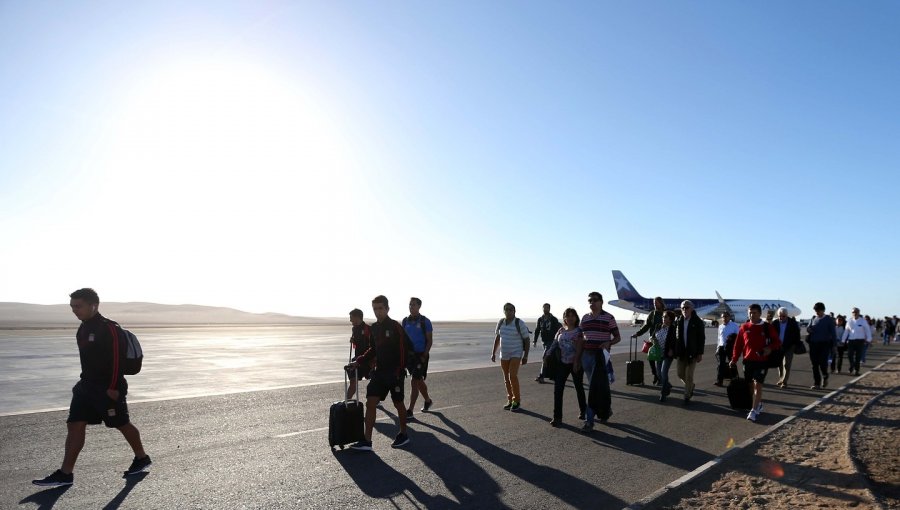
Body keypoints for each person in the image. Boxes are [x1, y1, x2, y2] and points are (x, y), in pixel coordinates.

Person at [32, 288, 151, 487]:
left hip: (107, 388)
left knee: (121, 424)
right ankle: (65, 473)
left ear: (93, 306)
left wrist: (113, 387)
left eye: (78, 306)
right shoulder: (84, 328)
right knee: (75, 424)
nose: (74, 311)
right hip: (86, 387)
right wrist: (82, 383)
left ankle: (141, 457)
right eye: (72, 307)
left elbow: (115, 361)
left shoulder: (109, 328)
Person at [349, 295, 414, 451]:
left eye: (380, 308)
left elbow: (407, 348)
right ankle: (367, 441)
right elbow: (373, 349)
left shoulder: (395, 327)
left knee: (398, 404)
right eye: (375, 308)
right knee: (370, 402)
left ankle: (403, 433)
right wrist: (359, 360)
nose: (378, 311)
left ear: (387, 309)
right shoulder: (375, 328)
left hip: (395, 372)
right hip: (380, 372)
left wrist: (401, 369)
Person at [730, 303, 781, 422]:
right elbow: (738, 345)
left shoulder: (767, 327)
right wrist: (734, 359)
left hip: (762, 361)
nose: (751, 315)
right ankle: (759, 404)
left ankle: (753, 411)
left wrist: (769, 348)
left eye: (754, 313)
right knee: (750, 386)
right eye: (750, 313)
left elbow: (777, 342)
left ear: (759, 314)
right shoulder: (744, 327)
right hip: (748, 361)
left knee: (758, 384)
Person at [577, 292, 619, 432]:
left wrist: (609, 342)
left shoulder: (608, 317)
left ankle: (589, 421)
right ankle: (606, 410)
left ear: (601, 302)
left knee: (594, 389)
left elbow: (617, 337)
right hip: (586, 356)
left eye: (595, 300)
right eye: (590, 300)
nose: (592, 302)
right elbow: (581, 335)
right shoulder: (585, 318)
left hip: (600, 357)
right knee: (595, 387)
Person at [545, 308, 586, 426]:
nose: (570, 318)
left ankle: (584, 411)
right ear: (564, 319)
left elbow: (582, 346)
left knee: (579, 387)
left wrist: (577, 361)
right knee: (558, 390)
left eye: (573, 316)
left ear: (576, 317)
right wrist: (547, 355)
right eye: (568, 316)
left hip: (576, 363)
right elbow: (554, 344)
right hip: (563, 363)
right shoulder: (561, 330)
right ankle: (557, 417)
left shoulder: (580, 331)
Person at [491, 303, 530, 411]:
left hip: (516, 353)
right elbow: (498, 338)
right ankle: (510, 399)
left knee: (513, 376)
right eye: (506, 310)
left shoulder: (519, 323)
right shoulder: (501, 323)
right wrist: (493, 352)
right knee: (506, 378)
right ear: (504, 311)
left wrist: (525, 355)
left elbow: (527, 340)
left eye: (510, 310)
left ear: (514, 311)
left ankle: (516, 400)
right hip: (504, 354)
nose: (508, 311)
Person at [402, 297, 433, 421]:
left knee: (414, 381)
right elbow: (402, 339)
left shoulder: (425, 321)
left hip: (421, 355)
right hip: (409, 356)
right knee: (418, 380)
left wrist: (424, 355)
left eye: (413, 305)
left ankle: (410, 410)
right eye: (410, 304)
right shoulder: (405, 321)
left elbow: (430, 340)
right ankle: (428, 400)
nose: (411, 307)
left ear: (419, 306)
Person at [674, 300, 705, 405]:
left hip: (693, 353)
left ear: (692, 309)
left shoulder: (697, 322)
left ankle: (687, 395)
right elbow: (675, 337)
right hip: (681, 353)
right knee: (679, 373)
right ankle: (691, 386)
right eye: (682, 308)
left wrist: (700, 353)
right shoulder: (678, 321)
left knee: (689, 375)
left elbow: (701, 338)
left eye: (686, 307)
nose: (684, 310)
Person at [631, 297, 666, 385]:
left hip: (662, 340)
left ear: (661, 303)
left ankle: (660, 378)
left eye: (657, 302)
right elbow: (646, 326)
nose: (655, 304)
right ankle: (655, 375)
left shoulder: (665, 313)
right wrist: (637, 334)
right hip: (652, 339)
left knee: (659, 360)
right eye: (654, 302)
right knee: (651, 358)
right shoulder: (652, 314)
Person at [806, 302, 837, 388]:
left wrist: (834, 345)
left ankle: (825, 376)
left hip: (824, 344)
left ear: (823, 310)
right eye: (815, 310)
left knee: (823, 364)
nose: (817, 312)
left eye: (818, 310)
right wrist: (809, 330)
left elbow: (833, 333)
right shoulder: (813, 319)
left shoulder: (828, 319)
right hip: (813, 344)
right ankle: (817, 383)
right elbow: (808, 328)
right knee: (814, 365)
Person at [346, 308, 372, 400]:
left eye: (351, 317)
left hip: (368, 359)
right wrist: (353, 341)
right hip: (357, 358)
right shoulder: (354, 329)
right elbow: (357, 343)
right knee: (353, 380)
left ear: (357, 317)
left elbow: (372, 346)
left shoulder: (368, 329)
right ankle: (347, 401)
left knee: (372, 379)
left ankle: (374, 398)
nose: (350, 320)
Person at [533, 303, 561, 384]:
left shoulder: (553, 319)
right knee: (550, 358)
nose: (545, 309)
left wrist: (558, 340)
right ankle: (554, 375)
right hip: (544, 341)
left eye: (547, 308)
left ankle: (541, 376)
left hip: (552, 341)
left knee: (545, 357)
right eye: (544, 308)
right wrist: (535, 340)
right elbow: (537, 330)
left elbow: (558, 329)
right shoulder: (540, 319)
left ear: (549, 309)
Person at [773, 307, 801, 388]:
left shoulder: (792, 323)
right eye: (780, 316)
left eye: (783, 316)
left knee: (786, 364)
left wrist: (796, 344)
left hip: (789, 346)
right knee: (779, 364)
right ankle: (781, 378)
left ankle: (785, 381)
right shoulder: (775, 323)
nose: (781, 318)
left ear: (787, 315)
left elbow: (797, 334)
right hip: (778, 346)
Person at [842, 307, 872, 377]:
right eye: (853, 312)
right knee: (850, 355)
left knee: (858, 357)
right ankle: (852, 365)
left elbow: (867, 330)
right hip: (851, 341)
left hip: (860, 341)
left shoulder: (863, 321)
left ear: (859, 313)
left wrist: (868, 339)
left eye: (856, 312)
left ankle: (856, 370)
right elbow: (846, 331)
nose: (854, 313)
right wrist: (843, 340)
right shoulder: (849, 321)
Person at [655, 311, 677, 402]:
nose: (664, 318)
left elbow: (675, 340)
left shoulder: (673, 328)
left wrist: (672, 349)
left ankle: (663, 393)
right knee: (659, 374)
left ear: (671, 319)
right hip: (658, 353)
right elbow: (653, 336)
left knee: (664, 372)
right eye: (663, 317)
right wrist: (652, 340)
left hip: (668, 354)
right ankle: (667, 385)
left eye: (666, 317)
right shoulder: (658, 326)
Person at [714, 311, 739, 387]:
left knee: (732, 363)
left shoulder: (734, 325)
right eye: (723, 317)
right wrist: (717, 348)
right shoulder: (720, 326)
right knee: (721, 364)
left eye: (726, 316)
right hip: (722, 347)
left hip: (731, 347)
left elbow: (738, 337)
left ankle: (735, 380)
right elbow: (719, 338)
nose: (724, 318)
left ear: (729, 317)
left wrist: (733, 338)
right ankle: (719, 381)